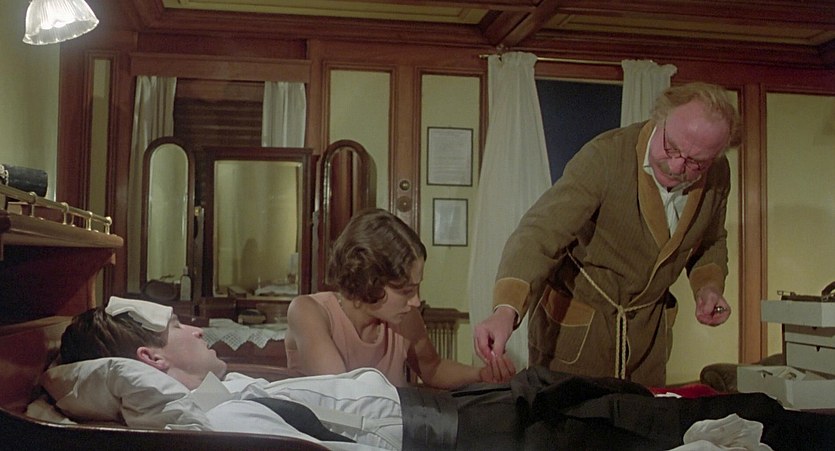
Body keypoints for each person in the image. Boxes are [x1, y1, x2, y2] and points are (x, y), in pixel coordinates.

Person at [48, 297, 835, 451]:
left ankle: (774, 413)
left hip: (445, 408)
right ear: (151, 360)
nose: (194, 327)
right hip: (453, 435)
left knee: (594, 388)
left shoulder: (225, 391)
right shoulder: (221, 423)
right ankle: (796, 426)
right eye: (176, 328)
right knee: (636, 420)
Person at [475, 82, 741, 387]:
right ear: (659, 117)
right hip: (575, 339)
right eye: (671, 147)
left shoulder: (718, 175)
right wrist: (505, 310)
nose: (677, 165)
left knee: (642, 416)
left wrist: (708, 288)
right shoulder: (605, 156)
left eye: (696, 163)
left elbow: (711, 240)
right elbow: (539, 233)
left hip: (647, 343)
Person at [286, 208, 515, 389]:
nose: (416, 302)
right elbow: (343, 394)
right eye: (406, 291)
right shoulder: (308, 311)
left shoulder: (405, 318)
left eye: (417, 288)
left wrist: (480, 374)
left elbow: (433, 369)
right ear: (370, 281)